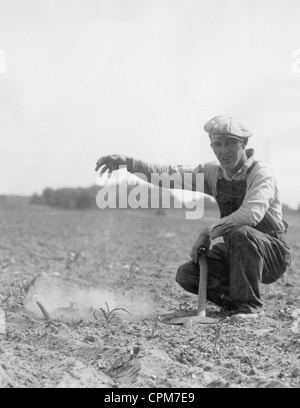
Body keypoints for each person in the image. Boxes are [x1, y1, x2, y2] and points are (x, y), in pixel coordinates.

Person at [95, 115, 292, 318]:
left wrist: (209, 232)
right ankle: (235, 304)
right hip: (236, 250)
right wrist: (130, 164)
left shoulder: (261, 173)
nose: (224, 151)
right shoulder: (213, 174)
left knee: (240, 233)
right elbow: (169, 174)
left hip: (271, 254)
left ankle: (249, 307)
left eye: (231, 143)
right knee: (188, 274)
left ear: (244, 143)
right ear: (211, 146)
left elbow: (251, 213)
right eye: (218, 144)